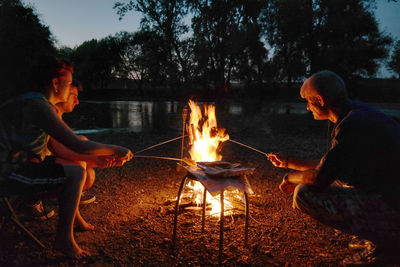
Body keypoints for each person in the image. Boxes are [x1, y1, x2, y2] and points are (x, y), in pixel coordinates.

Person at [0, 57, 133, 259]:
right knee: (75, 172)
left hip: (21, 167)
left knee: (76, 164)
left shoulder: (34, 102)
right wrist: (115, 148)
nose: (71, 88)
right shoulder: (37, 105)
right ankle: (64, 240)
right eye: (69, 83)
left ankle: (71, 225)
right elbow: (77, 144)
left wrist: (98, 159)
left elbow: (60, 147)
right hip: (8, 174)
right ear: (55, 83)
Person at [267, 70, 400, 265]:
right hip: (390, 196)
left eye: (308, 102)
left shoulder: (352, 125)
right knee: (338, 178)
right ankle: (382, 233)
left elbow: (319, 177)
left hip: (394, 207)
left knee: (303, 193)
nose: (306, 108)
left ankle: (388, 246)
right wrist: (287, 162)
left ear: (320, 100)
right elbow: (332, 166)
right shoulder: (357, 113)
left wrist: (290, 178)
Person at [48, 79, 96, 205]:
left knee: (89, 174)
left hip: (50, 161)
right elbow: (61, 149)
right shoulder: (48, 114)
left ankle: (71, 196)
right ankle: (31, 201)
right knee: (80, 165)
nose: (77, 101)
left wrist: (105, 158)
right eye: (74, 96)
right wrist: (99, 157)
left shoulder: (57, 115)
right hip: (38, 166)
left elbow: (72, 143)